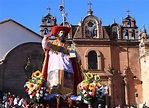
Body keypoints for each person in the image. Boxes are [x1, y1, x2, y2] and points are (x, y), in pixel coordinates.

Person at [42, 26, 82, 95]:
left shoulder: (70, 46)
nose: (63, 34)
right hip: (55, 69)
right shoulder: (52, 43)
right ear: (57, 34)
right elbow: (44, 45)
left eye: (64, 33)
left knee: (68, 92)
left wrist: (76, 56)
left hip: (68, 70)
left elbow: (76, 59)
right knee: (53, 90)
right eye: (61, 32)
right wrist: (46, 38)